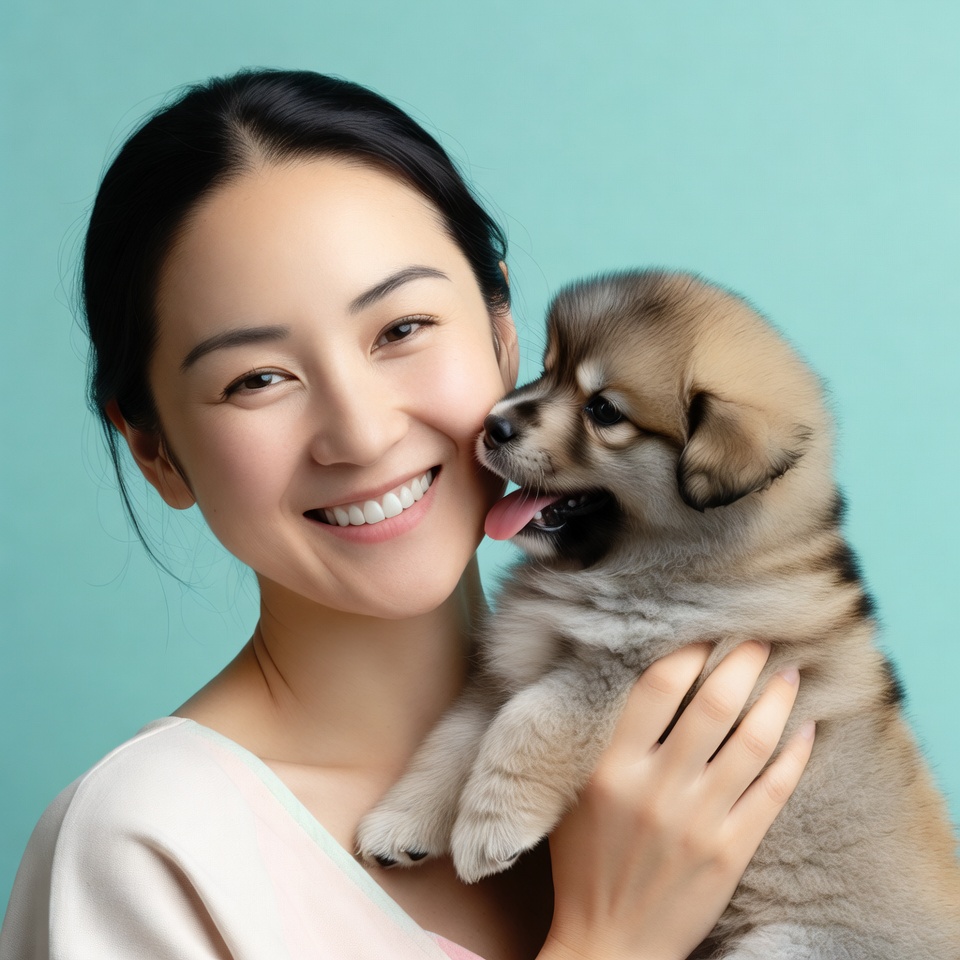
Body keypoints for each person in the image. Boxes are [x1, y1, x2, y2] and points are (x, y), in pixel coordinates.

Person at [0, 69, 815, 960]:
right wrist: (608, 942)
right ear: (153, 447)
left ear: (502, 329)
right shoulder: (151, 846)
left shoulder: (719, 747)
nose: (359, 431)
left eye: (401, 329)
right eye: (257, 379)